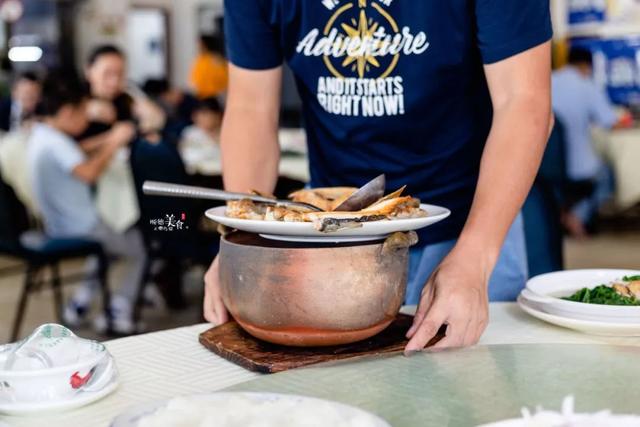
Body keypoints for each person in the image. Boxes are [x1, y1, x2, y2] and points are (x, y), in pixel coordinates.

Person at [204, 1, 554, 352]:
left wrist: (475, 256)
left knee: (472, 374)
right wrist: (241, 240)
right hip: (327, 229)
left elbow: (523, 100)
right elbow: (250, 106)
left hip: (471, 219)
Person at [27, 75, 146, 335]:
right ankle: (118, 311)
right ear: (68, 112)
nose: (87, 118)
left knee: (109, 249)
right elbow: (89, 173)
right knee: (140, 248)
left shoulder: (44, 135)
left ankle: (80, 302)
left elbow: (76, 151)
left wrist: (107, 138)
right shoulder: (56, 143)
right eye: (83, 112)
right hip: (80, 227)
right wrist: (114, 142)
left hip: (58, 224)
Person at [552, 47, 626, 238]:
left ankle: (560, 214)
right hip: (580, 166)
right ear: (587, 66)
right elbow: (611, 122)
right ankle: (576, 216)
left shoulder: (548, 81)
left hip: (547, 163)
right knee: (608, 176)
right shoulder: (587, 86)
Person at [81, 45, 165, 148]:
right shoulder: (76, 103)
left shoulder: (126, 98)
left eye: (120, 74)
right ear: (88, 71)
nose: (114, 82)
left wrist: (150, 124)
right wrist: (112, 138)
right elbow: (70, 151)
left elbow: (153, 121)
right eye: (107, 74)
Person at [178, 97, 223, 174]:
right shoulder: (190, 133)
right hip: (199, 176)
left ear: (218, 116)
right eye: (198, 115)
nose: (200, 118)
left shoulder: (225, 132)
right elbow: (190, 159)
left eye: (205, 114)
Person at [190, 35, 228, 99]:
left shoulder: (215, 59)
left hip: (213, 96)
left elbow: (223, 78)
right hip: (200, 96)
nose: (199, 46)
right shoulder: (200, 59)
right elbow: (194, 78)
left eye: (201, 44)